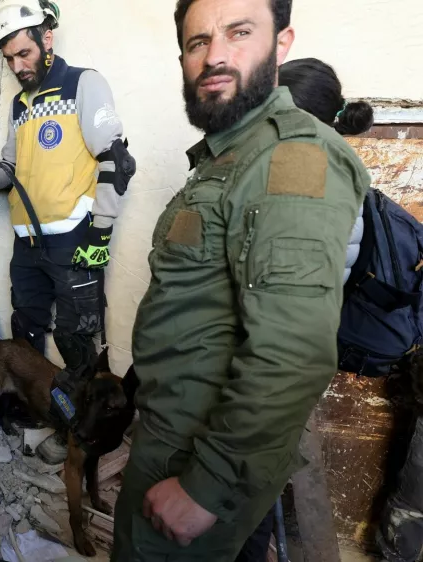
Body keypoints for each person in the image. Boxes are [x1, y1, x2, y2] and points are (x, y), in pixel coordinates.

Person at [110, 0, 372, 560]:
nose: (215, 57)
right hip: (172, 434)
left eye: (239, 32)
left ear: (281, 42)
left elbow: (291, 354)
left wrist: (206, 488)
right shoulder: (230, 153)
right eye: (197, 42)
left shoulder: (290, 156)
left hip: (201, 456)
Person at [0, 0, 136, 464]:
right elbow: (9, 167)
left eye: (24, 53)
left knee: (78, 338)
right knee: (26, 330)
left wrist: (100, 235)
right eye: (9, 59)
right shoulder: (20, 105)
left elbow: (116, 162)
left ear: (47, 39)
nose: (18, 66)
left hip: (75, 240)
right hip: (28, 244)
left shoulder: (84, 83)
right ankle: (40, 408)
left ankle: (75, 431)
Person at [231, 57, 376, 562]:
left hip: (281, 357)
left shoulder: (322, 180)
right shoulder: (310, 168)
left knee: (248, 488)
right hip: (282, 349)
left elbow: (286, 287)